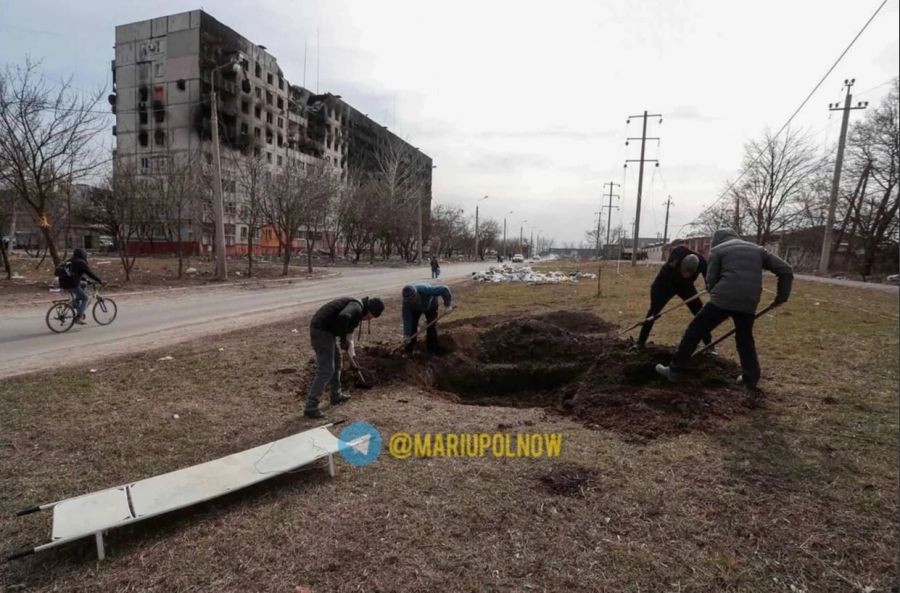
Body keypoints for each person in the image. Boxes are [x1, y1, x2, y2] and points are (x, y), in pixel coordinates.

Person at [655, 229, 793, 391]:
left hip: (723, 298)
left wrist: (716, 294)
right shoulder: (758, 250)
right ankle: (750, 380)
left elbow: (711, 281)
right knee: (745, 340)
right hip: (749, 301)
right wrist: (782, 297)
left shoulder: (718, 250)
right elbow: (786, 270)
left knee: (695, 330)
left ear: (716, 240)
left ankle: (674, 371)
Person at [304, 296, 385, 419]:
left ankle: (336, 395)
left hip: (328, 332)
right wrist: (342, 340)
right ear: (368, 310)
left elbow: (349, 336)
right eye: (369, 317)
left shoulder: (357, 312)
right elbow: (343, 317)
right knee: (326, 370)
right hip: (321, 330)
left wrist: (351, 354)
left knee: (337, 363)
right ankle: (311, 407)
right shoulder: (356, 307)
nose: (367, 319)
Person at [636, 245, 714, 352]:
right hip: (667, 283)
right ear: (680, 264)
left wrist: (709, 285)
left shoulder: (702, 263)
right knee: (653, 313)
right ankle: (640, 342)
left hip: (685, 286)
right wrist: (655, 305)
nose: (686, 274)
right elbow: (656, 286)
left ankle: (709, 345)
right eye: (684, 271)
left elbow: (709, 278)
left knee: (700, 313)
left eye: (690, 273)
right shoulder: (674, 259)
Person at [402, 283, 452, 355]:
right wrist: (406, 334)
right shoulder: (407, 303)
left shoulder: (425, 290)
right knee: (412, 327)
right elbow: (407, 318)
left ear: (416, 294)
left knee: (431, 327)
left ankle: (432, 351)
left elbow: (444, 289)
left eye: (413, 298)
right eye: (409, 300)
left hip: (431, 305)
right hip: (415, 309)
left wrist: (448, 305)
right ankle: (410, 349)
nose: (412, 301)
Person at [58, 248, 103, 325]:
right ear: (83, 254)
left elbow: (75, 274)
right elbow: (89, 273)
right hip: (72, 284)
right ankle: (79, 317)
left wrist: (86, 280)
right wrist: (99, 280)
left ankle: (76, 302)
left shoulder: (71, 260)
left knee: (84, 284)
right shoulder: (81, 262)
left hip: (64, 282)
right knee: (85, 298)